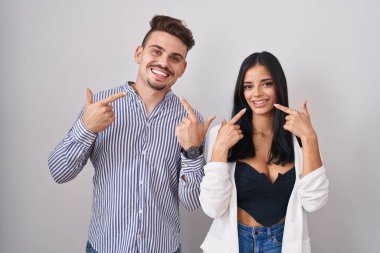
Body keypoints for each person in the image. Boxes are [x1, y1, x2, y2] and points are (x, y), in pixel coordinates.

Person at [48, 15, 214, 253]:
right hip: (105, 246)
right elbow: (58, 172)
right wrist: (86, 129)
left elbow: (192, 202)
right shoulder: (100, 107)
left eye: (174, 58)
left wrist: (192, 151)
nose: (164, 63)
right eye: (156, 51)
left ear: (182, 69)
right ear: (139, 54)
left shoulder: (190, 122)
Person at [199, 51, 329, 253]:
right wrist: (220, 149)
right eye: (248, 86)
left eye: (266, 84)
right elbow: (213, 208)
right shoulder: (222, 135)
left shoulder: (298, 137)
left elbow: (315, 202)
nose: (257, 93)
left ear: (279, 86)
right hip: (235, 243)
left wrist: (310, 138)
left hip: (283, 243)